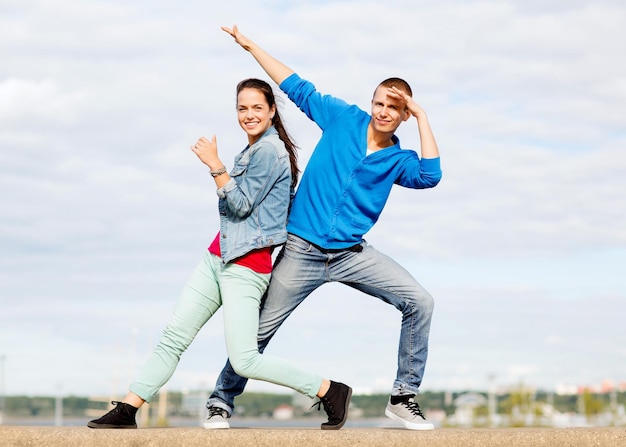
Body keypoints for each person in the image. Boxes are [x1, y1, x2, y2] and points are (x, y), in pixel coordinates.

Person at [203, 26, 442, 431]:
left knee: (420, 302)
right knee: (258, 332)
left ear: (403, 115)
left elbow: (430, 175)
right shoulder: (344, 118)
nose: (384, 111)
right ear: (371, 103)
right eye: (379, 102)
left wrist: (423, 115)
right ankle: (220, 400)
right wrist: (250, 47)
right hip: (301, 250)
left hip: (353, 255)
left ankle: (403, 396)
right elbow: (296, 86)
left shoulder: (399, 159)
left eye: (394, 108)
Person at [86, 78, 352, 431]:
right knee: (174, 337)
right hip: (217, 257)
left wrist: (215, 165)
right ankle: (129, 409)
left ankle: (328, 389)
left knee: (244, 361)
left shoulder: (270, 152)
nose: (249, 114)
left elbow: (240, 206)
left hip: (246, 267)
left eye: (257, 107)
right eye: (242, 108)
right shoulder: (253, 150)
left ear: (272, 110)